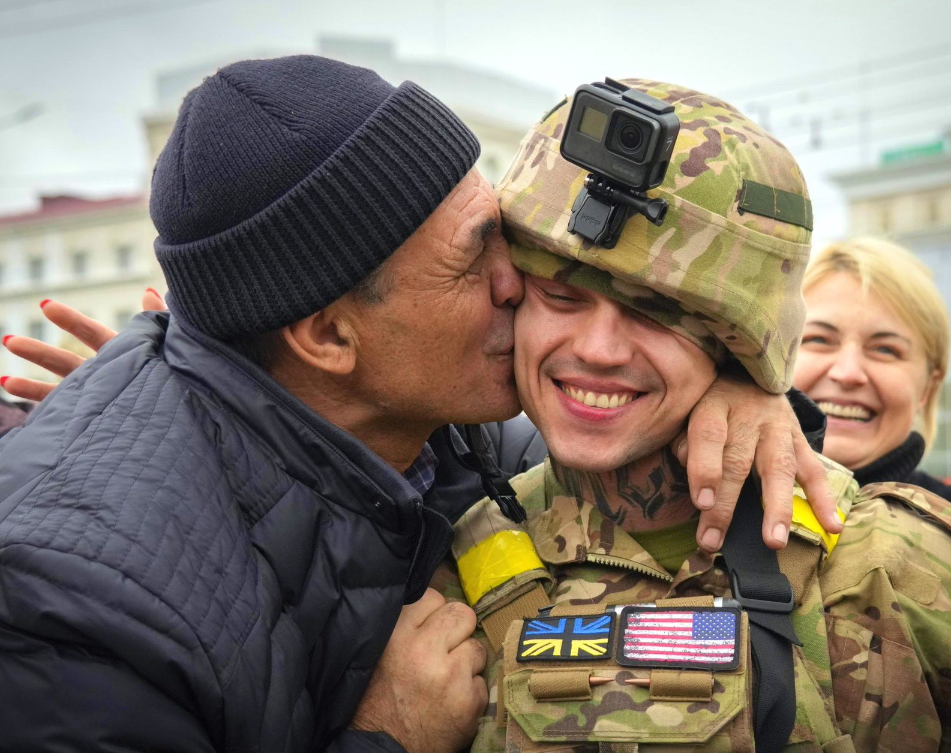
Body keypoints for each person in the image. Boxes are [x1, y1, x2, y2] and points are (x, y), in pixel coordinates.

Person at [0, 56, 837, 753]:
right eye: (476, 261)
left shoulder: (433, 425)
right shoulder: (79, 608)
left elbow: (600, 422)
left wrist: (741, 385)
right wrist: (384, 739)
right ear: (329, 337)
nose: (521, 288)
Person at [447, 79, 951, 753]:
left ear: (734, 340)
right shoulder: (445, 574)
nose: (595, 350)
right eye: (561, 297)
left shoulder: (893, 563)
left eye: (655, 312)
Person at [794, 238, 951, 499]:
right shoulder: (706, 497)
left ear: (927, 387)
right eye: (818, 339)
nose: (848, 373)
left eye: (885, 349)